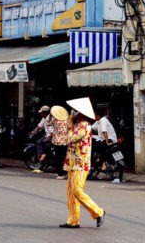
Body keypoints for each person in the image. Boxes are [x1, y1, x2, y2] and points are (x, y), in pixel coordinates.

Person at [59, 97, 105, 229]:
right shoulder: (78, 124)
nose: (72, 112)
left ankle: (98, 211)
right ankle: (73, 220)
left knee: (77, 191)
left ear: (81, 112)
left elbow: (69, 138)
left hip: (81, 163)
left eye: (75, 110)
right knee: (71, 192)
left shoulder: (84, 125)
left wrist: (69, 122)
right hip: (72, 162)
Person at [91, 107, 120, 181]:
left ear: (98, 115)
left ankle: (103, 163)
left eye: (95, 115)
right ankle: (100, 162)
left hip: (109, 139)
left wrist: (107, 142)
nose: (94, 116)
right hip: (103, 138)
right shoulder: (98, 121)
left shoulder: (103, 120)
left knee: (100, 146)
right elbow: (92, 128)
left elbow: (104, 131)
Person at [30, 106, 54, 173]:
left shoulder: (50, 118)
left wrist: (51, 138)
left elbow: (52, 131)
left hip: (51, 136)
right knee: (40, 141)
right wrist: (33, 132)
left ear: (45, 113)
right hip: (47, 135)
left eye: (41, 113)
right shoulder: (44, 118)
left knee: (40, 142)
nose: (41, 114)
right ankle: (43, 158)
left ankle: (42, 157)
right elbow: (39, 126)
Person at [50, 105, 70, 180]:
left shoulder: (55, 120)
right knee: (64, 157)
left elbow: (48, 122)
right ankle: (64, 171)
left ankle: (60, 173)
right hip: (65, 141)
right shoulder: (67, 120)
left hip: (57, 142)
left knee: (58, 158)